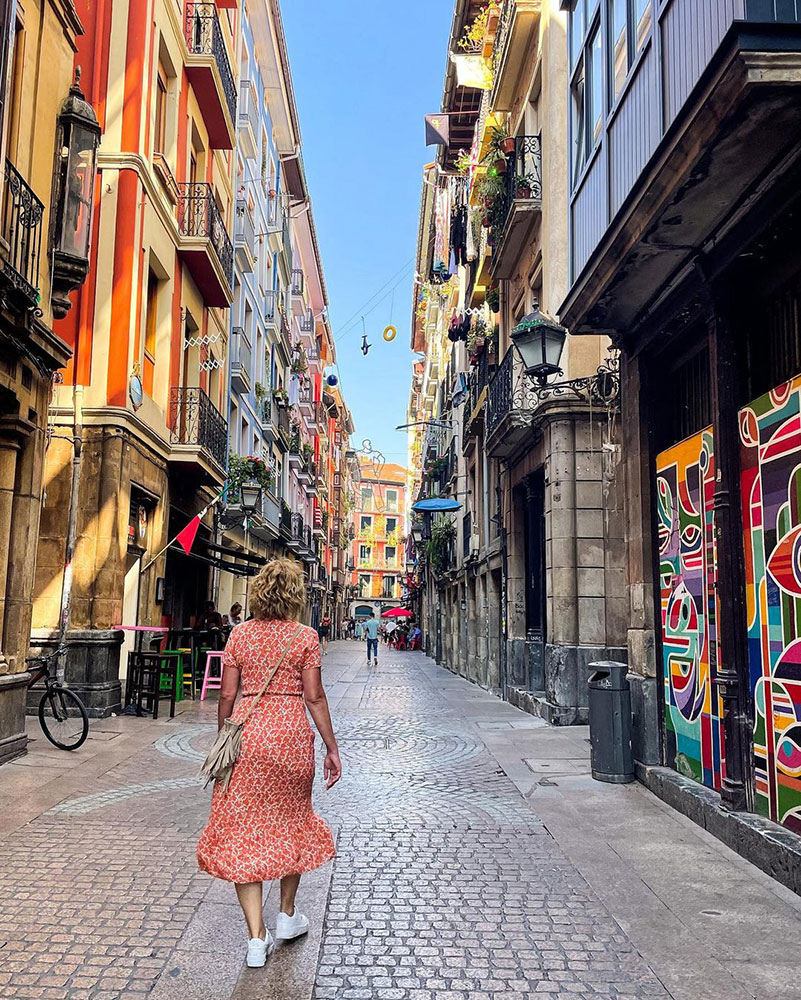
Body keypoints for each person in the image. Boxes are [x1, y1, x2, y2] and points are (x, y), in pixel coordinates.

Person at [197, 558, 341, 968]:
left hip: (248, 735)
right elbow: (314, 696)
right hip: (291, 736)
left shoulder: (239, 635)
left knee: (245, 831)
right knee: (292, 820)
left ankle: (255, 938)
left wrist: (226, 733)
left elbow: (226, 696)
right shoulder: (305, 637)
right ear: (295, 595)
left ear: (259, 592)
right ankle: (287, 915)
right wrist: (331, 748)